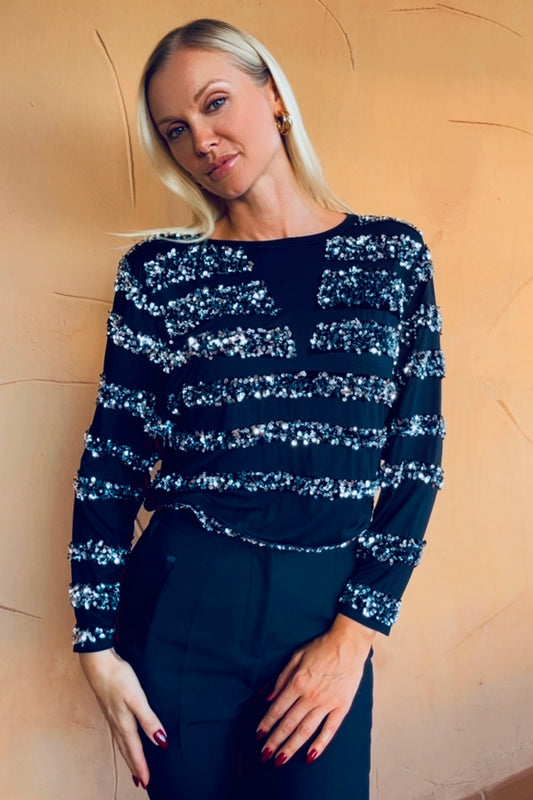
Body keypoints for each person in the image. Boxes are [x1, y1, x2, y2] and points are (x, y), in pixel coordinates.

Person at [69, 18, 444, 800]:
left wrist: (354, 636)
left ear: (272, 96)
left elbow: (415, 460)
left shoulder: (393, 258)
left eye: (214, 103)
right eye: (175, 129)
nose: (201, 139)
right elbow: (112, 461)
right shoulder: (158, 276)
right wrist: (96, 648)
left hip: (324, 608)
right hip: (183, 604)